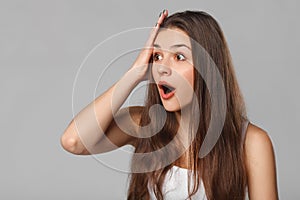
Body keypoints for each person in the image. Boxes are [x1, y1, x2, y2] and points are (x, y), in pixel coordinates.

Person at [61, 9, 279, 200]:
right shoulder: (142, 124)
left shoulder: (251, 143)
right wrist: (134, 74)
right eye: (157, 56)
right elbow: (73, 141)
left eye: (179, 56)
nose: (162, 68)